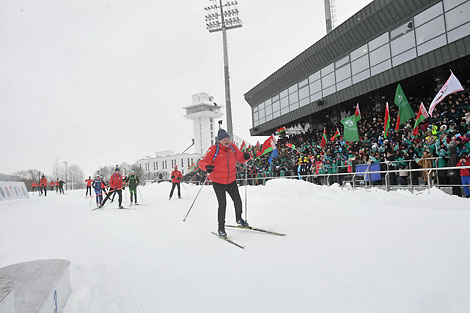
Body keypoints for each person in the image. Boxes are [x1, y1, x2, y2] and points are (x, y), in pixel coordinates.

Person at [198, 128, 251, 238]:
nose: (227, 141)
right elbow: (202, 162)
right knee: (222, 205)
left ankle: (239, 219)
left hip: (231, 180)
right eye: (224, 140)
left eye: (228, 139)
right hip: (218, 182)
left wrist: (245, 157)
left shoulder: (232, 147)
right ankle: (221, 228)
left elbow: (241, 158)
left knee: (238, 201)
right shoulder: (213, 150)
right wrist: (206, 167)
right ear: (219, 141)